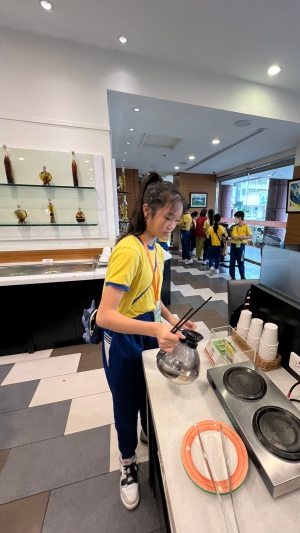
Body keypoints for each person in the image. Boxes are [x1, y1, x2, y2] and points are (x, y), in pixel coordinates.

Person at [97, 173, 196, 510]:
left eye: (177, 219)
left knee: (148, 391)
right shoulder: (129, 250)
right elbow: (104, 315)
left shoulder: (155, 248)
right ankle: (127, 463)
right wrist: (155, 330)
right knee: (125, 401)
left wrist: (170, 318)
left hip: (147, 328)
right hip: (123, 337)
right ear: (147, 210)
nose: (172, 225)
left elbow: (151, 298)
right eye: (168, 217)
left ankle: (144, 433)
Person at [229, 211, 252, 280]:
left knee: (241, 261)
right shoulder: (234, 227)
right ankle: (232, 276)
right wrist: (234, 237)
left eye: (235, 218)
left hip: (241, 246)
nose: (235, 219)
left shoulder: (246, 226)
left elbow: (250, 236)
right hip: (234, 245)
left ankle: (242, 276)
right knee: (232, 261)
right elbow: (233, 236)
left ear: (240, 218)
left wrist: (243, 237)